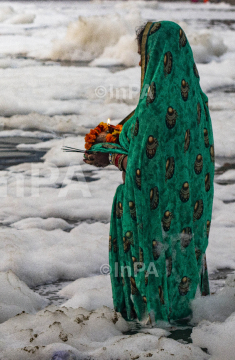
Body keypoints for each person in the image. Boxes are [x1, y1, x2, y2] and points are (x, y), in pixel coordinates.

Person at [84, 21, 214, 323]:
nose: (141, 63)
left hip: (149, 225)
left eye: (144, 56)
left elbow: (143, 167)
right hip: (186, 223)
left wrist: (109, 157)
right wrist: (114, 138)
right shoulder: (197, 103)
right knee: (183, 296)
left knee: (151, 315)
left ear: (157, 56)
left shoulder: (152, 109)